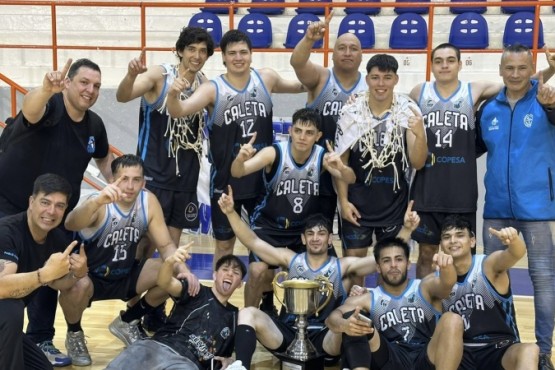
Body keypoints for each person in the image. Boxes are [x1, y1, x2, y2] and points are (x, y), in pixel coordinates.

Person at [218, 185, 420, 369]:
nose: (316, 238)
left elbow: (381, 256)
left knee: (352, 318)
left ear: (329, 239)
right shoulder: (291, 259)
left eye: (321, 233)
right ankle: (240, 366)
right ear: (303, 238)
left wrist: (407, 230)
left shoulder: (343, 266)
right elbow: (253, 242)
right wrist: (230, 213)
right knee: (248, 313)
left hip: (327, 339)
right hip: (289, 336)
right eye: (311, 234)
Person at [0, 58, 113, 366]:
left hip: (52, 213)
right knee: (7, 286)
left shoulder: (94, 125)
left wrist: (117, 186)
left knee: (57, 264)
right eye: (84, 83)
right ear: (68, 83)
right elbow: (31, 110)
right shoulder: (50, 105)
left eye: (97, 86)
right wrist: (44, 89)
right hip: (9, 203)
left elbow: (103, 158)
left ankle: (40, 338)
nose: (90, 90)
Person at [410, 43, 555, 278]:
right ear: (432, 65)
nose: (444, 65)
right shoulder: (419, 92)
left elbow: (517, 83)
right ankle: (425, 310)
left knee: (463, 255)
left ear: (460, 63)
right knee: (426, 254)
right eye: (438, 61)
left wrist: (549, 72)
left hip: (460, 192)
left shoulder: (475, 90)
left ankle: (463, 307)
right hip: (428, 189)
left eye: (450, 60)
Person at [166, 29, 305, 267]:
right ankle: (218, 299)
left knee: (265, 241)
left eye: (243, 52)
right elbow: (178, 110)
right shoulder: (213, 89)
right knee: (224, 244)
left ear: (252, 55)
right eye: (232, 53)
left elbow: (303, 85)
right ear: (223, 58)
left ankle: (266, 298)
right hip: (226, 180)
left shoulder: (266, 78)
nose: (238, 57)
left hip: (262, 180)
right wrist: (172, 94)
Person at [116, 26, 215, 332]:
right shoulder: (159, 75)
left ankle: (152, 310)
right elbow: (122, 96)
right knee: (144, 245)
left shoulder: (205, 86)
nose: (197, 56)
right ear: (180, 50)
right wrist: (132, 75)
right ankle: (132, 307)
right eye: (192, 49)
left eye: (203, 51)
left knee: (172, 249)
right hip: (153, 175)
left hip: (184, 179)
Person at [58, 154, 199, 366]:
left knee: (172, 273)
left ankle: (128, 320)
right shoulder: (99, 201)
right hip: (91, 278)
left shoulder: (148, 201)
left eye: (136, 179)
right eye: (124, 179)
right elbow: (70, 223)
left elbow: (166, 245)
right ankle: (74, 333)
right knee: (77, 286)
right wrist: (96, 202)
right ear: (112, 179)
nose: (130, 186)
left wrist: (184, 270)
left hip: (126, 274)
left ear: (143, 182)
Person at [475, 43, 555, 370]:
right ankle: (498, 347)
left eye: (523, 68)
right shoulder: (488, 109)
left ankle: (545, 352)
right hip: (496, 207)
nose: (516, 74)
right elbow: (472, 151)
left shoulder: (545, 99)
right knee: (491, 278)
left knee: (543, 279)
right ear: (500, 69)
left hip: (536, 209)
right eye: (510, 68)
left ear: (532, 67)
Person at [231, 107, 355, 309]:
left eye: (309, 133)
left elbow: (350, 178)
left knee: (332, 273)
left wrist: (341, 167)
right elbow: (238, 172)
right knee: (256, 271)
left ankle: (314, 321)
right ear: (290, 130)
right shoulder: (273, 152)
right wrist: (239, 159)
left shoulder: (323, 156)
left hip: (303, 230)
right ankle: (249, 322)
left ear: (318, 136)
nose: (302, 137)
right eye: (298, 130)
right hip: (270, 225)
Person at [335, 54, 427, 287]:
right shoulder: (352, 110)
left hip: (393, 204)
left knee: (391, 266)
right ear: (367, 79)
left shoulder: (408, 110)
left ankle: (387, 318)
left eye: (387, 77)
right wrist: (343, 202)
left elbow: (417, 162)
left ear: (396, 79)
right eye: (375, 77)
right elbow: (341, 162)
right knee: (354, 268)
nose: (381, 83)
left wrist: (419, 133)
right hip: (357, 203)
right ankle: (353, 319)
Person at [325, 237, 463, 370]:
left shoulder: (424, 287)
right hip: (390, 358)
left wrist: (447, 267)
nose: (393, 265)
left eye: (399, 259)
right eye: (386, 261)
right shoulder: (368, 298)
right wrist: (344, 325)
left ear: (408, 264)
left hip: (426, 355)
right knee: (356, 319)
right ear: (378, 267)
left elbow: (447, 283)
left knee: (453, 319)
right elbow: (333, 317)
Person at [105, 245, 247, 370]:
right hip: (158, 346)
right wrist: (169, 262)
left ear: (240, 284)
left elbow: (225, 355)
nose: (230, 273)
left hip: (187, 364)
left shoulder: (235, 317)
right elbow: (164, 282)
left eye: (236, 273)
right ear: (215, 275)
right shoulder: (196, 290)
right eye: (225, 269)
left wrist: (230, 360)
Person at [0, 174, 87, 370]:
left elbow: (58, 283)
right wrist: (43, 274)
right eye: (45, 202)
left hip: (5, 327)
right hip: (4, 317)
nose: (51, 211)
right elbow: (2, 287)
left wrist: (77, 273)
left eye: (59, 206)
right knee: (10, 308)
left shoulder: (57, 240)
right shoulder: (7, 232)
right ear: (31, 202)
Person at [289, 12, 367, 223]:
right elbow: (297, 62)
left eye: (354, 48)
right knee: (314, 232)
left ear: (362, 55)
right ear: (332, 54)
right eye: (342, 48)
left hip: (352, 170)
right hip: (317, 169)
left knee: (354, 235)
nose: (348, 53)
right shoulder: (322, 77)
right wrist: (309, 39)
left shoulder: (369, 87)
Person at [439, 215, 540, 369]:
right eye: (447, 237)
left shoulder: (487, 266)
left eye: (460, 235)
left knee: (530, 350)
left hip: (499, 348)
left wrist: (513, 241)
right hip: (460, 353)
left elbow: (515, 254)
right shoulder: (438, 280)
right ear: (441, 244)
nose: (453, 241)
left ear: (472, 240)